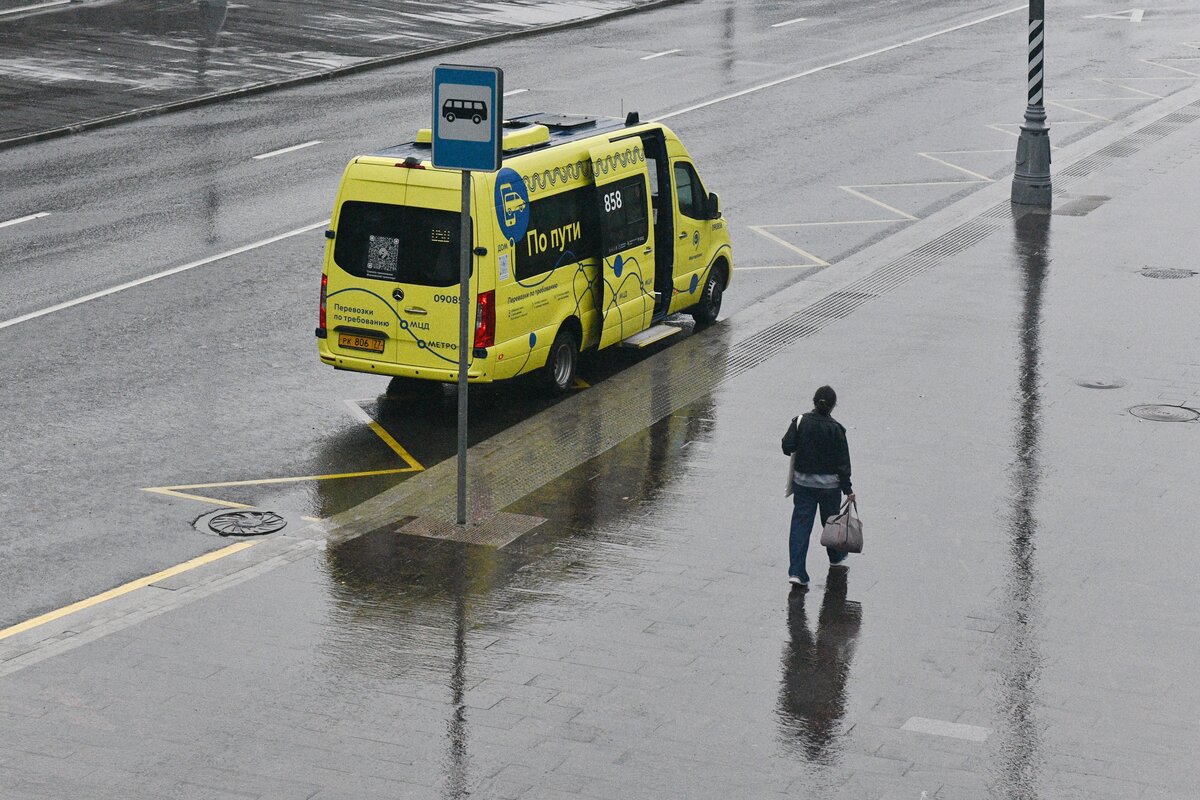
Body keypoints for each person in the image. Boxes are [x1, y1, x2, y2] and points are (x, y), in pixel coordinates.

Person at [781, 385, 855, 586]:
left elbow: (787, 447)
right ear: (832, 407)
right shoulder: (837, 429)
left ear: (814, 402)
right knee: (830, 524)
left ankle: (797, 572)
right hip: (830, 488)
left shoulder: (800, 422)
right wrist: (848, 489)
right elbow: (843, 464)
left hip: (803, 484)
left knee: (800, 525)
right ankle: (836, 557)